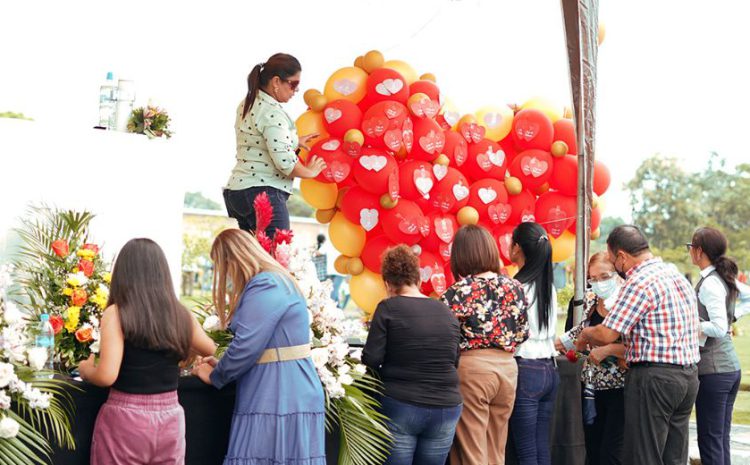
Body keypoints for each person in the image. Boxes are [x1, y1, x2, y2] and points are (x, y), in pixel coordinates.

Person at [192, 229, 326, 465]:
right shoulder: (274, 280)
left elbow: (246, 345)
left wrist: (216, 375)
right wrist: (222, 365)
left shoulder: (266, 283)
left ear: (232, 259)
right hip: (282, 387)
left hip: (279, 390)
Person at [78, 238, 216, 465]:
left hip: (126, 419)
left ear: (123, 273)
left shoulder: (117, 313)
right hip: (171, 417)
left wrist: (85, 370)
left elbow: (106, 375)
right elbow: (215, 349)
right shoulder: (181, 314)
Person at [576, 225, 700, 465]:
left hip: (655, 377)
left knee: (644, 455)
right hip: (687, 375)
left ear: (622, 256)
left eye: (613, 261)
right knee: (673, 455)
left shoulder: (639, 281)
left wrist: (586, 335)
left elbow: (606, 334)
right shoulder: (674, 274)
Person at [362, 245, 463, 465]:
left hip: (401, 403)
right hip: (446, 406)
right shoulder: (446, 312)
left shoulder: (388, 308)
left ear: (388, 283)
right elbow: (454, 359)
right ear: (418, 279)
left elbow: (372, 359)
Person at [440, 225, 529, 465]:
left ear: (461, 255)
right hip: (508, 368)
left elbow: (443, 337)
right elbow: (523, 333)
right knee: (496, 448)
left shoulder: (459, 291)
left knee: (471, 449)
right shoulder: (515, 287)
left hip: (473, 369)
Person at [223, 53, 326, 239]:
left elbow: (255, 137)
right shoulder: (273, 113)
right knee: (277, 259)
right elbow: (285, 164)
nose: (296, 90)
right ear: (276, 81)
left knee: (252, 263)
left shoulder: (248, 102)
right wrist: (310, 171)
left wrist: (294, 140)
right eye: (293, 84)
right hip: (263, 193)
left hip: (239, 191)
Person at [555, 252, 627, 465]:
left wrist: (609, 349)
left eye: (604, 276)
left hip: (623, 386)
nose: (598, 283)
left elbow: (640, 344)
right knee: (593, 447)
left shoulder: (627, 300)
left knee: (612, 451)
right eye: (593, 279)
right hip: (592, 386)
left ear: (617, 273)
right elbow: (580, 332)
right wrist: (553, 344)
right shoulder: (590, 299)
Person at [688, 227, 748, 465]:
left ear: (699, 251)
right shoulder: (720, 277)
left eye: (690, 246)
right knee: (720, 438)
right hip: (727, 369)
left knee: (711, 440)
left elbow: (718, 327)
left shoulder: (710, 283)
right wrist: (732, 315)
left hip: (714, 371)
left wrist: (693, 326)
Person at [508, 222, 559, 465]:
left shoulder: (517, 286)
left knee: (525, 451)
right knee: (540, 446)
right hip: (549, 368)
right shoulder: (548, 285)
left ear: (517, 248)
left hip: (525, 368)